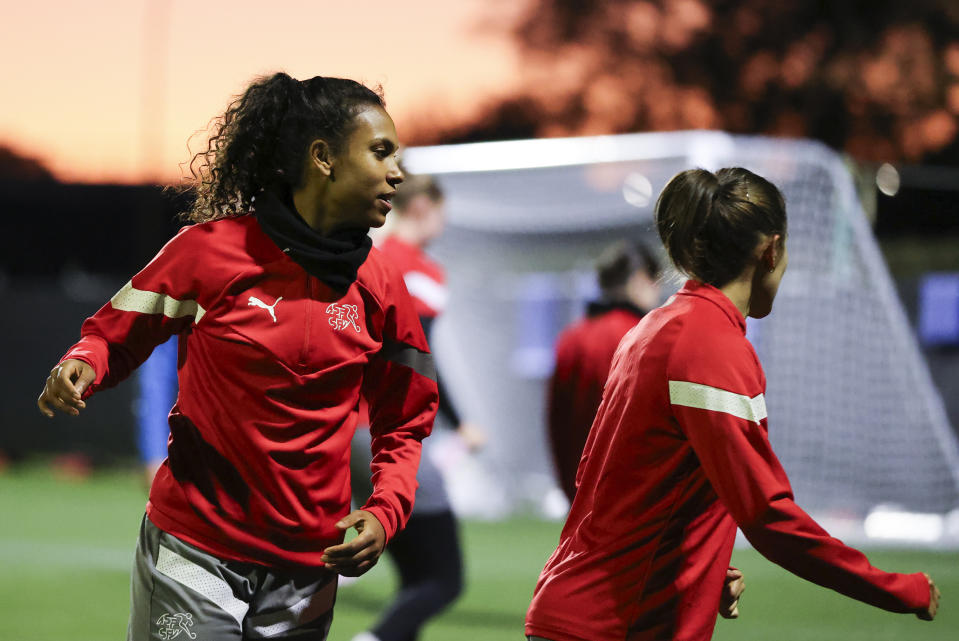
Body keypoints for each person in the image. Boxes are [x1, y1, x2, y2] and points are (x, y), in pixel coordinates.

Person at [37, 72, 438, 641]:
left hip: (308, 571)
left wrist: (384, 510)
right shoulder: (210, 252)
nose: (396, 172)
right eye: (381, 152)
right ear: (323, 157)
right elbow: (111, 333)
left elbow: (406, 421)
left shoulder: (383, 287)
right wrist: (85, 362)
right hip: (194, 552)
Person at [525, 167, 940, 641]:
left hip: (583, 611)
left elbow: (620, 485)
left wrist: (690, 563)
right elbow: (768, 517)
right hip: (616, 625)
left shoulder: (653, 328)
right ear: (771, 251)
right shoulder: (711, 347)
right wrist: (897, 588)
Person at [350, 173, 483, 641]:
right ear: (424, 205)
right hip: (391, 436)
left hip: (346, 433)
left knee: (413, 579)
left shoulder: (361, 259)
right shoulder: (421, 274)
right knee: (444, 579)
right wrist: (460, 421)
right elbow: (417, 357)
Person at [547, 240, 660, 503]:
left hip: (580, 493)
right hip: (631, 496)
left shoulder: (570, 339)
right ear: (640, 279)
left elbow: (556, 422)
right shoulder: (642, 337)